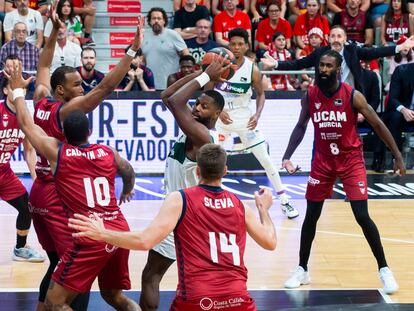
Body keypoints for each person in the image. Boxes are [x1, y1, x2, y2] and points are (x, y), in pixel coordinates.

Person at [24, 4, 143, 309]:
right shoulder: (67, 111)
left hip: (38, 190)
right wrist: (130, 51)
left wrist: (52, 32)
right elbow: (104, 87)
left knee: (56, 263)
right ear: (62, 90)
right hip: (58, 193)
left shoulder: (40, 97)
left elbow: (44, 64)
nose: (83, 87)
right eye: (77, 84)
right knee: (74, 270)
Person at [68, 143, 277, 311]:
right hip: (238, 300)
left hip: (197, 300)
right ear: (225, 171)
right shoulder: (239, 204)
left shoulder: (181, 199)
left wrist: (102, 233)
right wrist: (262, 208)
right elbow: (270, 242)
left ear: (197, 171)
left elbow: (144, 241)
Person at [9, 66, 138, 309]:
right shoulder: (107, 152)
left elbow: (26, 124)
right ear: (90, 132)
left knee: (55, 302)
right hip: (119, 231)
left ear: (63, 134)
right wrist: (127, 188)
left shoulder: (60, 154)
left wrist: (17, 90)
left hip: (92, 234)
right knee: (115, 297)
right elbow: (128, 171)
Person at [280, 50, 405, 294]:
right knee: (311, 216)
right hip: (323, 161)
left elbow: (378, 124)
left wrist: (397, 155)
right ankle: (302, 269)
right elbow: (300, 125)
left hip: (350, 160)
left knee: (361, 215)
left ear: (338, 70)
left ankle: (384, 270)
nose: (323, 70)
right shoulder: (311, 95)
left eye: (328, 66)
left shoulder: (352, 96)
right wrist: (287, 155)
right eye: (321, 65)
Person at [139, 57, 228, 311]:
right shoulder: (194, 125)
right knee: (191, 280)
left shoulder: (201, 135)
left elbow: (177, 101)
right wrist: (201, 73)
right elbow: (168, 96)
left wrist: (203, 77)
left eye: (204, 106)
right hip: (192, 214)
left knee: (151, 276)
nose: (197, 108)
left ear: (217, 114)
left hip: (180, 215)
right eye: (197, 103)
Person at [209, 28, 299, 219]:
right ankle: (211, 201)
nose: (236, 47)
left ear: (246, 46)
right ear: (228, 45)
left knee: (266, 160)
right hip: (221, 121)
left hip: (245, 121)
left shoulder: (252, 69)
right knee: (213, 162)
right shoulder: (218, 64)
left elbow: (261, 94)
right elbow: (209, 93)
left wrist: (257, 114)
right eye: (233, 44)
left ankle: (284, 201)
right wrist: (219, 111)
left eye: (240, 44)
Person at [261, 25, 414, 98]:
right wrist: (276, 64)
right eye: (333, 36)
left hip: (350, 96)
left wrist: (400, 47)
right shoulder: (321, 52)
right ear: (328, 39)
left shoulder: (352, 50)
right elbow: (299, 64)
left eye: (339, 36)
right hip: (326, 95)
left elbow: (374, 52)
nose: (336, 39)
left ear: (345, 39)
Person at [0, 75, 44, 263]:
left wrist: (36, 178)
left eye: (23, 89)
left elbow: (29, 150)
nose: (20, 92)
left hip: (4, 172)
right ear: (5, 91)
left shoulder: (25, 117)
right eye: (15, 87)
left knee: (27, 208)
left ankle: (20, 248)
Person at [141, 7, 189, 90]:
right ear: (149, 21)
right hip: (150, 87)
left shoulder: (173, 34)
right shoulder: (144, 36)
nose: (156, 21)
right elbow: (143, 61)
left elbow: (186, 55)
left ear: (164, 21)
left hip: (171, 85)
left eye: (159, 18)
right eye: (153, 18)